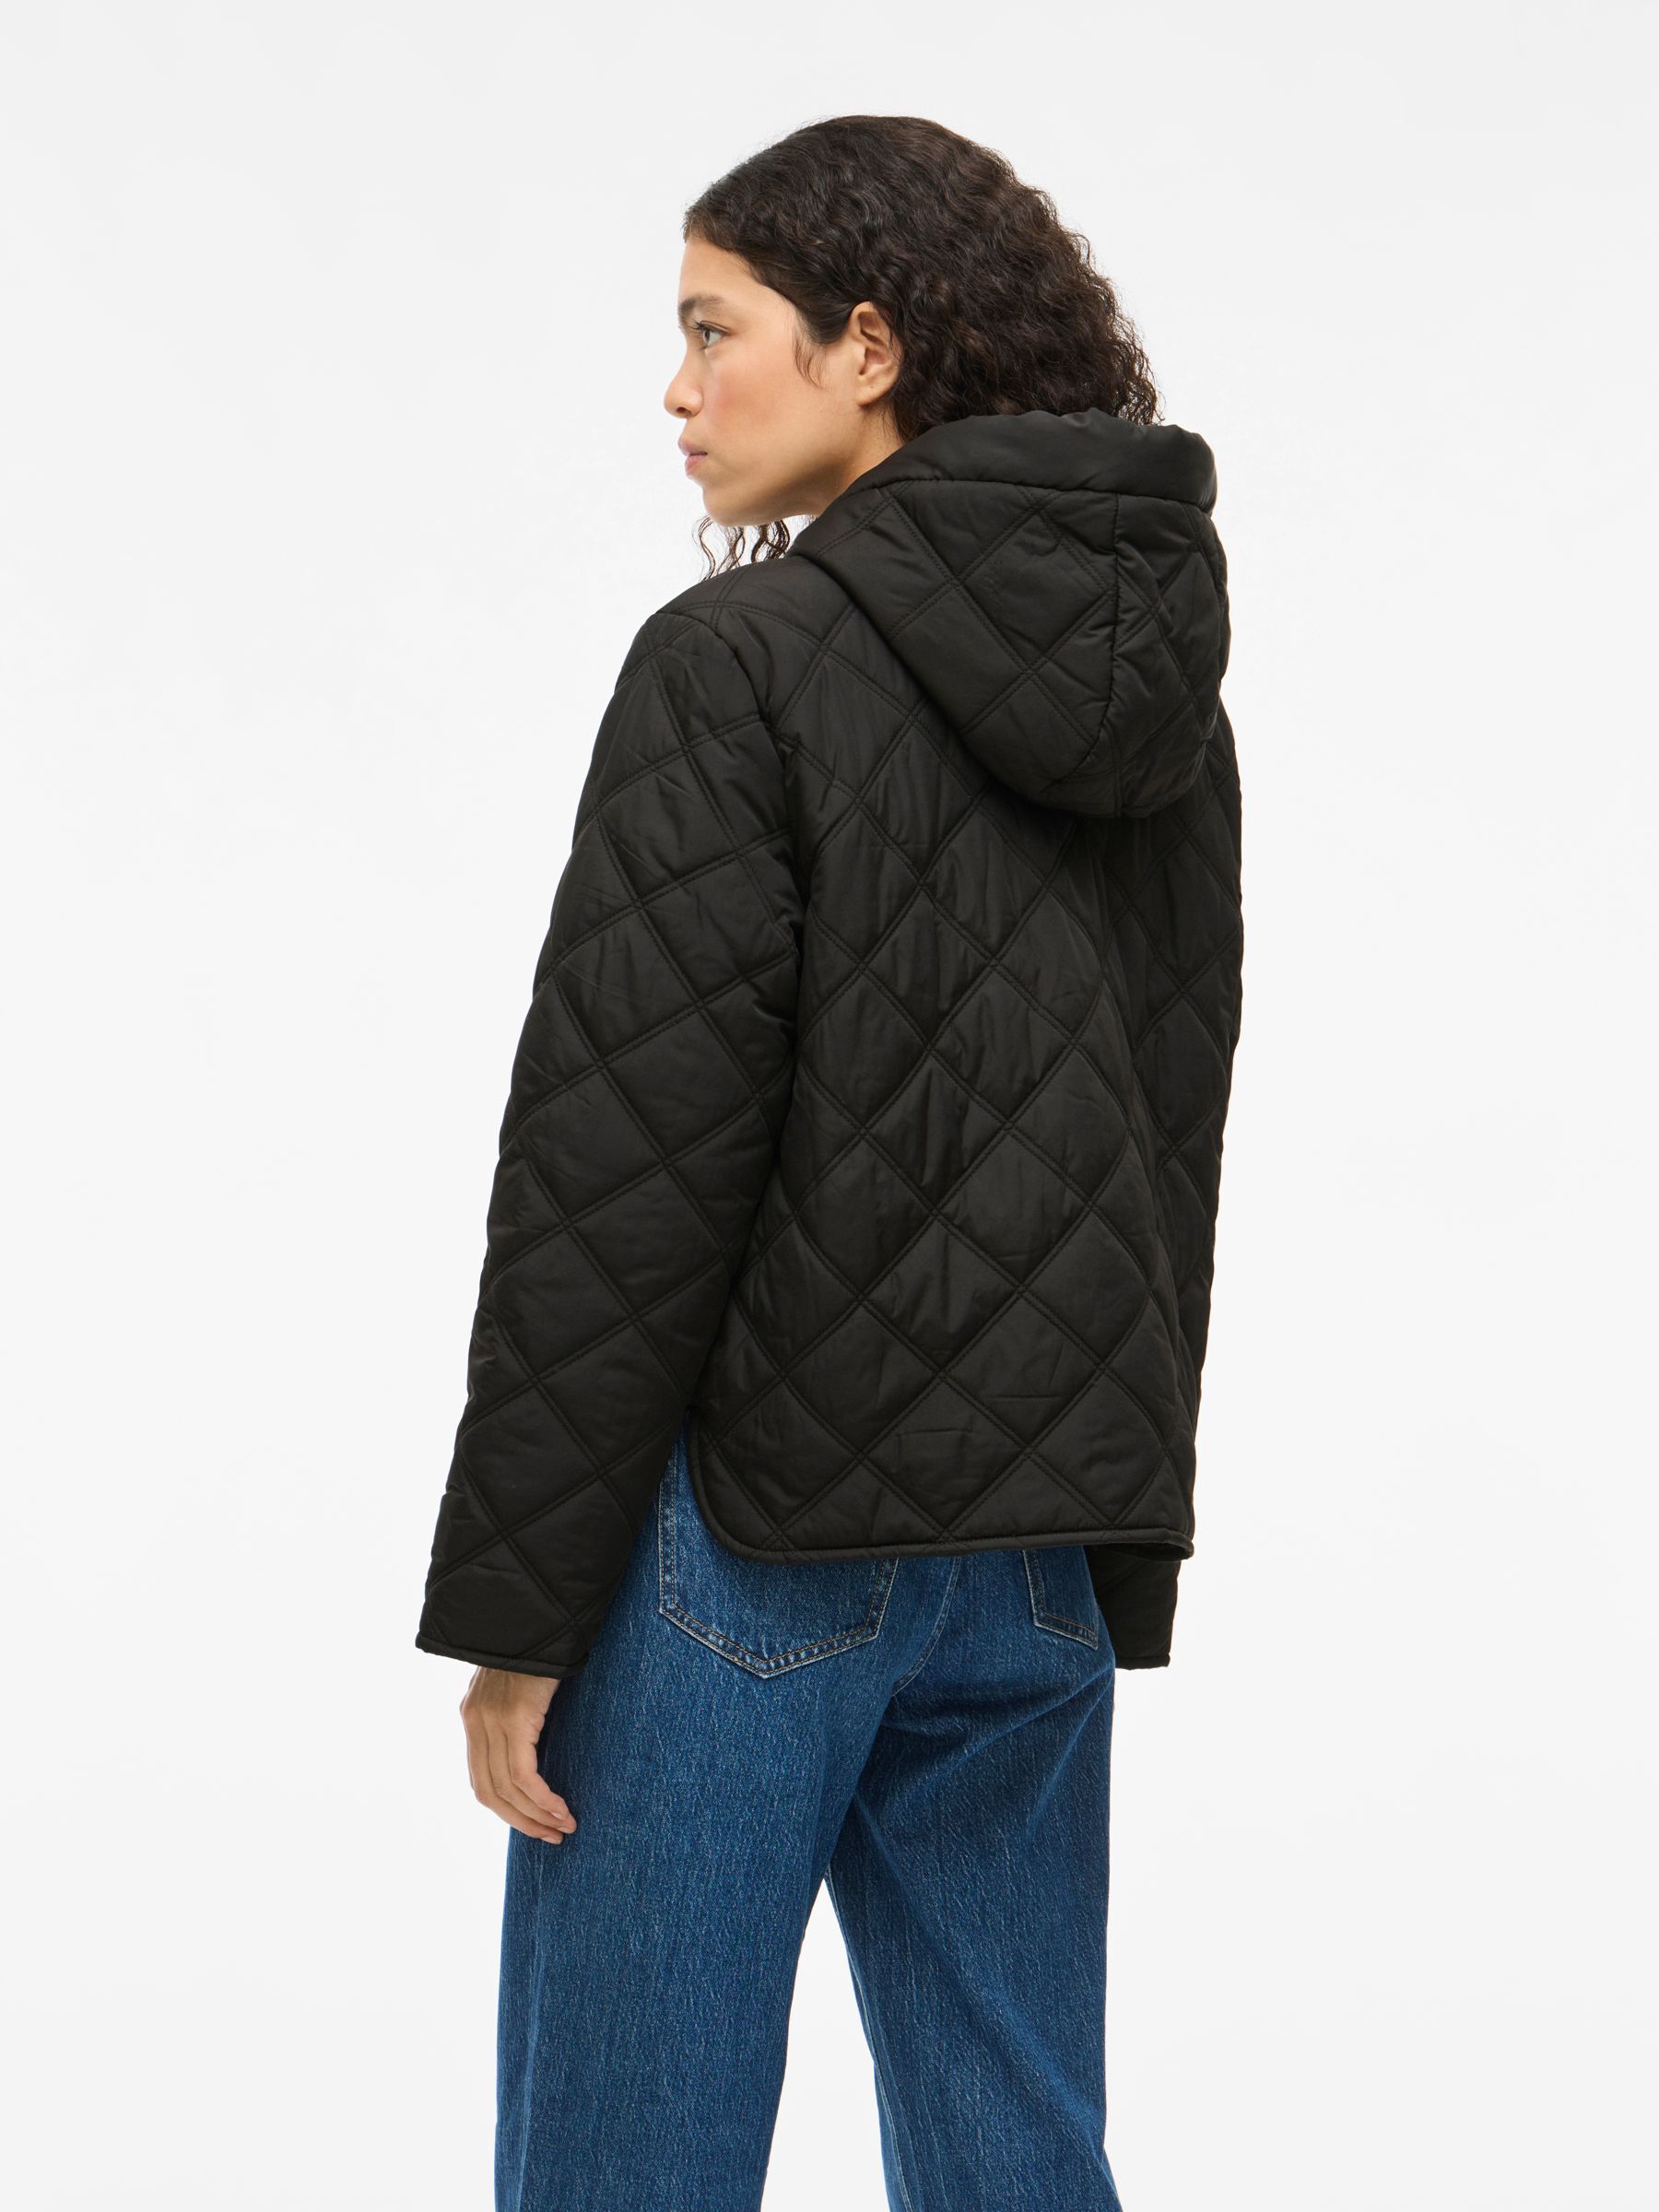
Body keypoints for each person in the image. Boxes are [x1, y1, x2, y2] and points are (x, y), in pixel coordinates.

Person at [416, 113, 1243, 2212]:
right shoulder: (1164, 701)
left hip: (749, 1552)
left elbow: (622, 1168)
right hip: (1037, 1553)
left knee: (626, 2165)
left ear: (868, 347)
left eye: (717, 330)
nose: (677, 389)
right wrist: (1116, 1544)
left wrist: (522, 1605)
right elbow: (1169, 1129)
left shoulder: (737, 663)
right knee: (1017, 2155)